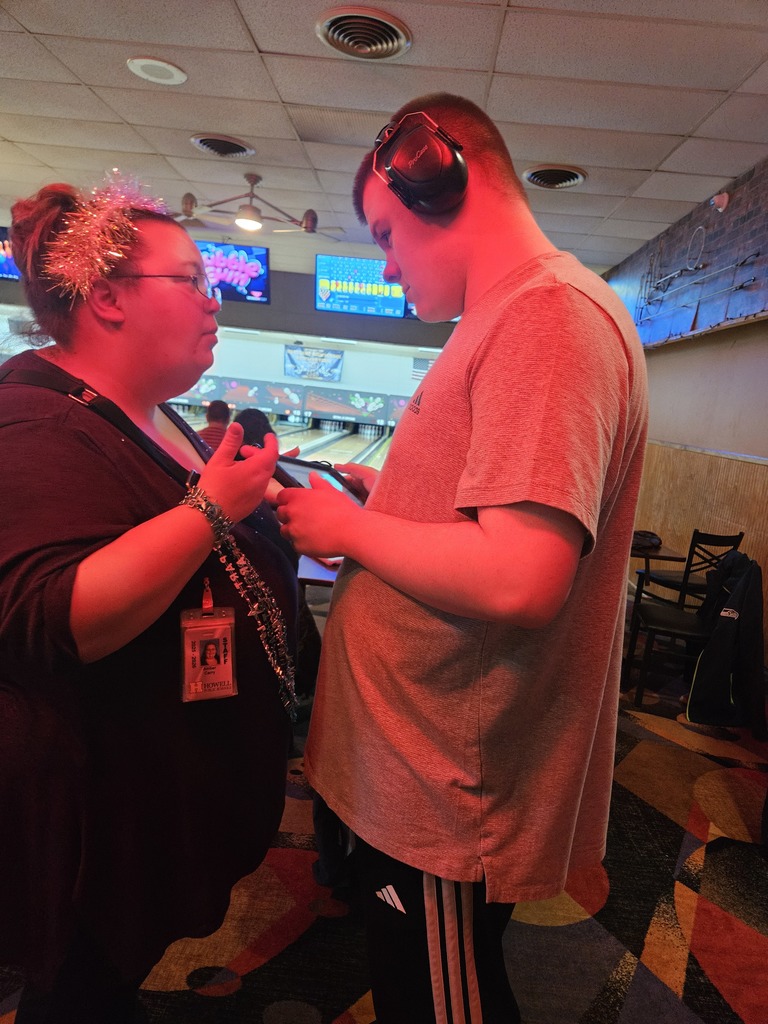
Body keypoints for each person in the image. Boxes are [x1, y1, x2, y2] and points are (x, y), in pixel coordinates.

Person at [275, 93, 648, 1023]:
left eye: (386, 232)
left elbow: (521, 576)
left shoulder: (546, 318)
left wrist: (351, 533)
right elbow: (488, 523)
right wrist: (390, 504)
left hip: (446, 788)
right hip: (425, 766)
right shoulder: (513, 318)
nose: (386, 262)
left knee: (442, 1005)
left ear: (446, 180)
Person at [0, 174, 298, 1023]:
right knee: (77, 993)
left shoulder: (145, 414)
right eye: (193, 281)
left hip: (147, 796)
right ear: (106, 298)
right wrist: (214, 508)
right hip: (87, 821)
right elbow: (59, 613)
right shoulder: (33, 421)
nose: (214, 302)